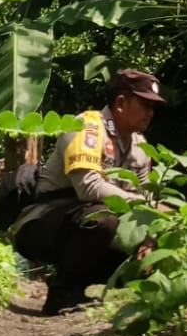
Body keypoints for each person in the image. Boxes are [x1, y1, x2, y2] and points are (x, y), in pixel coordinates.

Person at [10, 69, 166, 315]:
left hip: (83, 225)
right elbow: (89, 188)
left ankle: (81, 286)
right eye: (144, 104)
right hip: (43, 223)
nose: (150, 112)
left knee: (156, 241)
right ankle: (62, 293)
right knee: (103, 220)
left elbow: (145, 195)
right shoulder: (85, 128)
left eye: (153, 107)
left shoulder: (140, 145)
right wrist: (146, 205)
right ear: (121, 103)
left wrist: (149, 237)